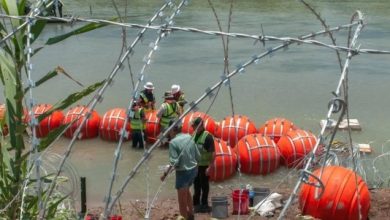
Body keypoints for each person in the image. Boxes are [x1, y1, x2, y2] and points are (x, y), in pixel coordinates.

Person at [160, 120, 200, 220]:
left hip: (183, 173)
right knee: (187, 192)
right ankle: (191, 213)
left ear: (173, 129)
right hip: (194, 170)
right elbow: (198, 155)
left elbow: (174, 163)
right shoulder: (189, 137)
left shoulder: (173, 143)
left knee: (181, 200)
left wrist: (165, 174)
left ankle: (184, 217)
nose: (169, 132)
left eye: (169, 130)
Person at [191, 117, 215, 213]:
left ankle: (204, 204)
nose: (192, 127)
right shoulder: (194, 135)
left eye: (194, 126)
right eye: (192, 126)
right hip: (195, 165)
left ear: (200, 126)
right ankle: (196, 204)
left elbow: (213, 152)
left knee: (204, 185)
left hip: (204, 166)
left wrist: (210, 167)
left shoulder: (207, 137)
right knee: (196, 185)